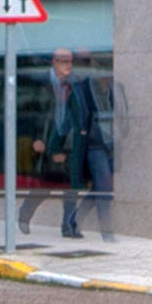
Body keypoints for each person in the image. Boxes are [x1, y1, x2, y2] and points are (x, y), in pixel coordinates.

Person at [19, 50, 119, 238]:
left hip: (73, 138)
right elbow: (29, 111)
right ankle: (25, 214)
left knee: (71, 184)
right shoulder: (41, 82)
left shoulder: (77, 82)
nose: (69, 65)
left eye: (70, 61)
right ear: (54, 62)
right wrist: (35, 138)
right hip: (48, 136)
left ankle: (67, 226)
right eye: (64, 61)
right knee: (46, 183)